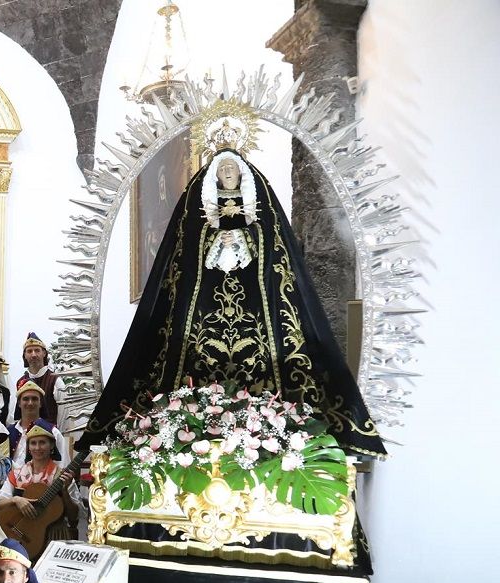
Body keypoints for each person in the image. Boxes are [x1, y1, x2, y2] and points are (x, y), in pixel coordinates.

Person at [78, 149, 386, 458]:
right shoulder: (195, 205)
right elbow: (184, 256)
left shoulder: (261, 203)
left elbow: (274, 252)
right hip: (203, 306)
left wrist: (245, 239)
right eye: (222, 168)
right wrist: (213, 241)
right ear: (214, 175)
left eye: (231, 168)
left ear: (242, 174)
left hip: (257, 305)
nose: (227, 172)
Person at [0, 419, 80, 543]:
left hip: (53, 536)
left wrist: (65, 491)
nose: (37, 447)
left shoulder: (62, 476)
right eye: (33, 443)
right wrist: (16, 499)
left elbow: (74, 517)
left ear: (51, 446)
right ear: (28, 447)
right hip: (20, 535)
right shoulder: (17, 474)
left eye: (42, 442)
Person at [10, 381, 70, 468]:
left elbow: (63, 466)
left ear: (41, 403)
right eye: (26, 399)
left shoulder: (53, 432)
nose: (30, 403)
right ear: (19, 403)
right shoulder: (9, 432)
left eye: (34, 399)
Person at [17, 332, 66, 427]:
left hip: (50, 437)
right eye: (29, 351)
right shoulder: (20, 382)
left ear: (44, 353)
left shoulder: (55, 381)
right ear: (25, 356)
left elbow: (64, 414)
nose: (34, 355)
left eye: (37, 350)